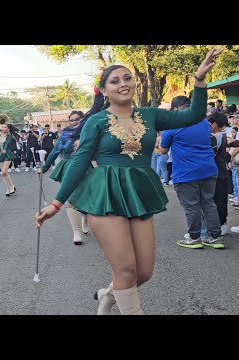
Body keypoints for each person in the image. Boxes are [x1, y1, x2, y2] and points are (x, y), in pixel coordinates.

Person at [35, 48, 222, 315]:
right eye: (115, 81)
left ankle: (108, 295)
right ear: (104, 90)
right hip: (105, 194)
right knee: (125, 269)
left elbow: (192, 116)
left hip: (139, 192)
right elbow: (79, 161)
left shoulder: (151, 115)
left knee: (143, 272)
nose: (123, 84)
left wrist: (199, 80)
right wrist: (55, 204)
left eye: (127, 78)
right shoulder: (96, 121)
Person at [159, 95, 222, 249]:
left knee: (191, 205)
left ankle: (194, 238)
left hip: (186, 172)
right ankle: (215, 237)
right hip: (208, 169)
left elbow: (163, 150)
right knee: (209, 203)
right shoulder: (204, 122)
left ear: (174, 109)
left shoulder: (172, 125)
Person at [39, 111, 88, 245]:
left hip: (85, 167)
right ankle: (76, 231)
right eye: (72, 120)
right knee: (70, 199)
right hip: (67, 167)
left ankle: (85, 218)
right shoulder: (64, 135)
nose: (75, 121)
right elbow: (55, 152)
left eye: (78, 119)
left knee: (85, 197)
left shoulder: (90, 132)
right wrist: (44, 168)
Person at [0, 124, 17, 196]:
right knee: (3, 173)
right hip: (0, 154)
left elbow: (7, 143)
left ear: (8, 129)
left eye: (5, 127)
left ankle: (11, 186)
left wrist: (4, 149)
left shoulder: (9, 136)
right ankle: (8, 188)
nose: (3, 128)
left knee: (5, 171)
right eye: (2, 127)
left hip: (7, 153)